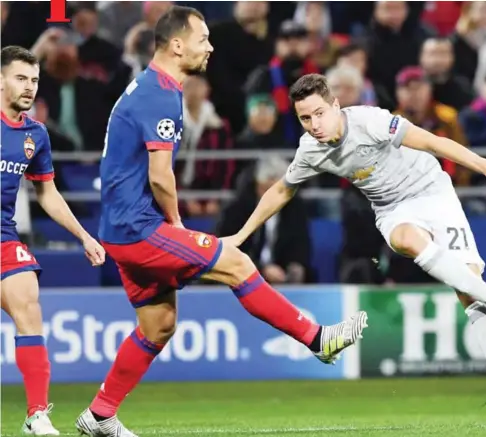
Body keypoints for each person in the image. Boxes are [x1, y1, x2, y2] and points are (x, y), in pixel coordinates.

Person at [75, 8, 367, 437]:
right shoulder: (160, 93)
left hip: (120, 229)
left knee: (158, 325)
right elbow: (160, 175)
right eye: (203, 38)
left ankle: (99, 415)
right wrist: (174, 224)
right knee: (237, 262)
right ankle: (317, 339)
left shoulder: (148, 87)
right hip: (138, 228)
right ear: (177, 45)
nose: (210, 46)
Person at [224, 73, 486, 428]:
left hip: (433, 192)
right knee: (404, 240)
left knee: (468, 291)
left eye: (320, 113)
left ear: (335, 105)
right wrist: (241, 234)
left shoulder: (372, 121)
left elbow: (430, 141)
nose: (314, 124)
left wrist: (481, 164)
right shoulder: (310, 149)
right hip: (391, 208)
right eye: (305, 118)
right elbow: (280, 191)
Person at [1, 45, 106, 436]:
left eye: (34, 80)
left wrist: (83, 235)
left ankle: (36, 415)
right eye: (20, 78)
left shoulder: (35, 134)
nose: (29, 87)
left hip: (3, 238)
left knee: (29, 304)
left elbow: (46, 193)